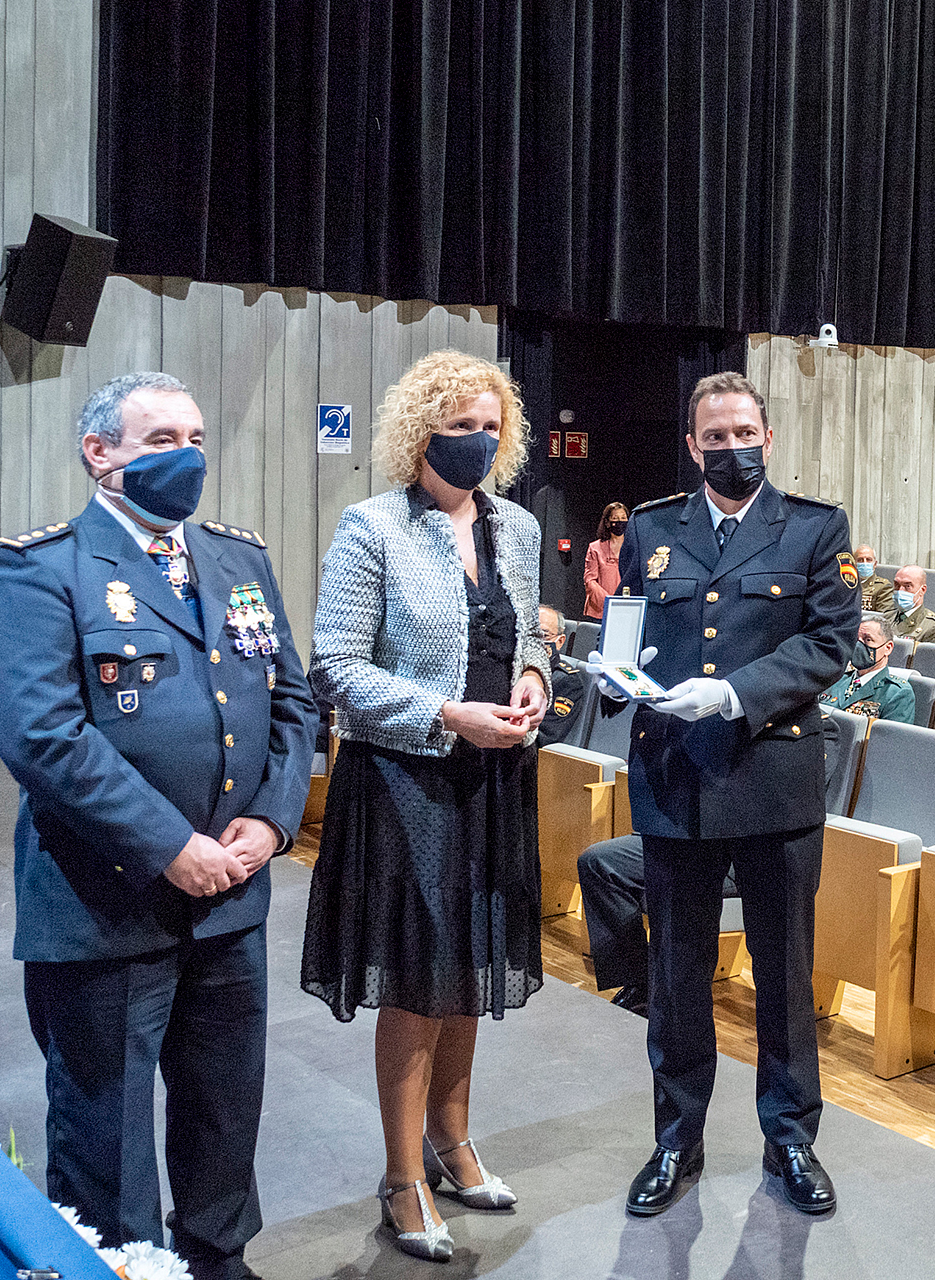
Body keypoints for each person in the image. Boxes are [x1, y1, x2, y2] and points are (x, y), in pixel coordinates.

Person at [0, 372, 317, 1280]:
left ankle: (219, 1260)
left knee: (223, 1109)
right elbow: (42, 735)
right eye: (162, 438)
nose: (188, 456)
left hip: (231, 899)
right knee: (109, 1134)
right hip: (107, 906)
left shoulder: (237, 559)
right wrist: (170, 846)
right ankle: (124, 1266)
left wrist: (271, 820)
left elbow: (289, 697)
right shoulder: (39, 566)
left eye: (197, 437)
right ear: (101, 453)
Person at [300, 350, 551, 1262]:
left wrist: (531, 677)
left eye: (491, 426)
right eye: (460, 426)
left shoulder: (516, 529)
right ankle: (403, 1176)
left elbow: (526, 631)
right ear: (420, 432)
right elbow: (336, 667)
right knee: (416, 982)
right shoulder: (371, 528)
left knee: (470, 971)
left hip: (494, 779)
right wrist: (447, 712)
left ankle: (453, 1140)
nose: (477, 441)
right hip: (407, 783)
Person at [608, 370, 858, 1218]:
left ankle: (790, 1138)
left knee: (784, 976)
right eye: (714, 437)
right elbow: (630, 627)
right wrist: (614, 677)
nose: (731, 447)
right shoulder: (653, 528)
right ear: (692, 445)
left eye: (743, 432)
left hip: (773, 777)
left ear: (768, 436)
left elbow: (830, 644)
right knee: (678, 977)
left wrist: (734, 694)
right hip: (676, 781)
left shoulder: (815, 529)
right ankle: (677, 1139)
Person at [578, 837, 739, 1020]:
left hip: (734, 851)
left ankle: (666, 1003)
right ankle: (642, 985)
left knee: (678, 884)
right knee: (598, 862)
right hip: (681, 837)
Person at [819, 614, 915, 723]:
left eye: (868, 639)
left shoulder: (897, 693)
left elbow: (892, 738)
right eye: (855, 640)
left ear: (887, 648)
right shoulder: (836, 679)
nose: (858, 645)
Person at [537, 605, 589, 745]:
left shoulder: (566, 682)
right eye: (529, 634)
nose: (534, 642)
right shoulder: (506, 668)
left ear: (559, 641)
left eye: (543, 635)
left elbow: (546, 738)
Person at [584, 501, 628, 620]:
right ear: (608, 522)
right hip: (601, 610)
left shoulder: (634, 547)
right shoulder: (595, 548)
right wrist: (609, 600)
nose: (620, 521)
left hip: (627, 608)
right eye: (615, 518)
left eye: (623, 518)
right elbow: (590, 580)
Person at [890, 564, 935, 644]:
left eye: (907, 586)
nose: (900, 591)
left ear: (922, 590)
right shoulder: (886, 617)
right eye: (897, 585)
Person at [851, 544, 895, 618]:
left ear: (875, 564)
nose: (864, 563)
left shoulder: (883, 586)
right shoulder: (846, 584)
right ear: (854, 563)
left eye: (868, 560)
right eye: (860, 560)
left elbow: (884, 617)